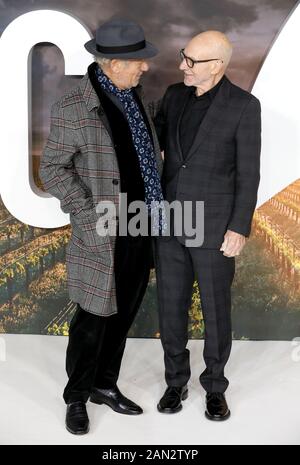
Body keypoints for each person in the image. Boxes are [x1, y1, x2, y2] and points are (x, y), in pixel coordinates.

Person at [39, 18, 162, 435]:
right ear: (111, 63)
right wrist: (87, 211)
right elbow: (51, 169)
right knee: (92, 319)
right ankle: (77, 397)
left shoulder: (137, 97)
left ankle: (105, 386)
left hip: (141, 226)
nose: (144, 68)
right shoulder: (73, 107)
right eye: (137, 62)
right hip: (102, 231)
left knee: (124, 312)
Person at [154, 30, 261, 420]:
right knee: (171, 307)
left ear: (216, 66)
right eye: (184, 56)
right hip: (170, 222)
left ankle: (215, 387)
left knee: (216, 311)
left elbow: (249, 175)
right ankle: (174, 382)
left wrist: (239, 227)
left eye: (191, 61)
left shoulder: (244, 107)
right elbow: (159, 143)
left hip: (215, 227)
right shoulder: (173, 95)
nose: (182, 65)